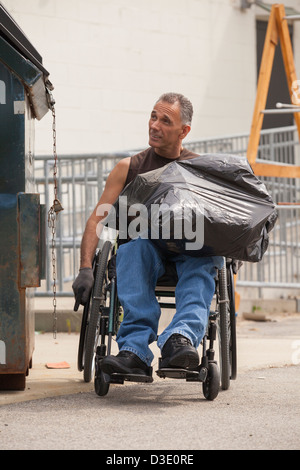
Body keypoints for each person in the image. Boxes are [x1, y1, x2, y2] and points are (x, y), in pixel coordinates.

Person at [72, 92, 224, 379]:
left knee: (204, 254)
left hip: (187, 250)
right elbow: (97, 219)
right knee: (132, 247)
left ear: (184, 131)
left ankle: (179, 339)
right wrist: (84, 268)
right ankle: (134, 350)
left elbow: (218, 222)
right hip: (144, 251)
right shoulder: (128, 168)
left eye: (165, 120)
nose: (155, 125)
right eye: (153, 116)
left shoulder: (199, 170)